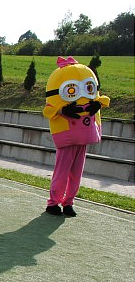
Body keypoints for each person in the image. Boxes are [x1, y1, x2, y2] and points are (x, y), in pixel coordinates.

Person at [43, 56, 109, 217]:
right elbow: (48, 110)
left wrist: (98, 104)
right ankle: (53, 202)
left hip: (84, 135)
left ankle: (69, 202)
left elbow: (102, 99)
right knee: (62, 172)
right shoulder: (58, 98)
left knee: (76, 173)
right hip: (67, 137)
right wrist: (62, 110)